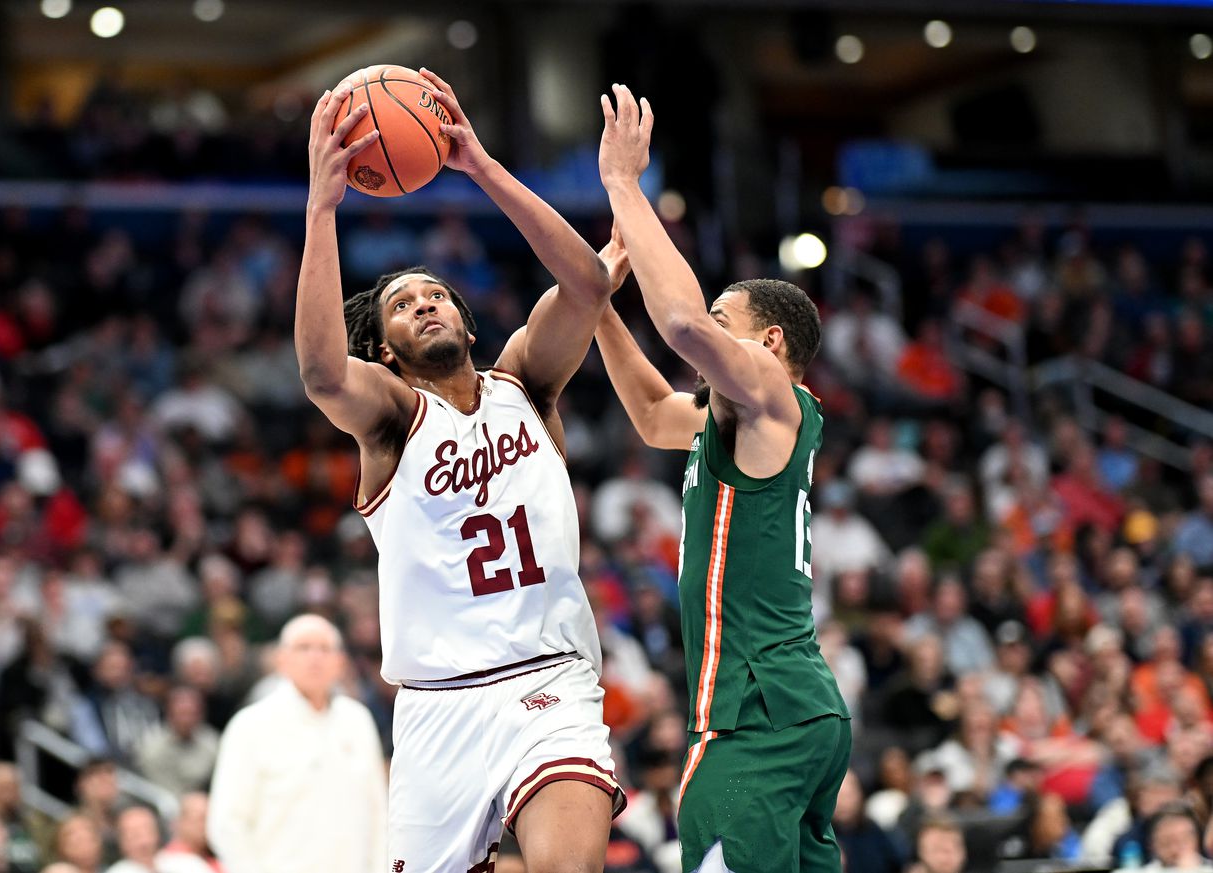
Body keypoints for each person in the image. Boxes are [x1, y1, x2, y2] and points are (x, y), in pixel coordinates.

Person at [294, 69, 622, 871]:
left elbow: (588, 284)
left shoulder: (526, 385)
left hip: (550, 680)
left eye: (438, 295)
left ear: (468, 324)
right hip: (437, 706)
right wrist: (322, 208)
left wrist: (477, 164)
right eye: (406, 306)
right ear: (386, 350)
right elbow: (321, 374)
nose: (428, 306)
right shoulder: (394, 418)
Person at [593, 83, 849, 873]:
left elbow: (678, 324)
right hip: (790, 710)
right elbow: (646, 410)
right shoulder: (728, 424)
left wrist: (626, 189)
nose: (710, 338)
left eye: (725, 324)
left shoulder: (774, 397)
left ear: (770, 343)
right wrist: (593, 300)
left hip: (755, 714)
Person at [207, 616, 385, 873]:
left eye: (325, 649)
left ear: (340, 662)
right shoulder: (250, 725)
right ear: (282, 660)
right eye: (303, 648)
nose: (315, 657)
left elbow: (378, 812)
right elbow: (227, 823)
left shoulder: (357, 720)